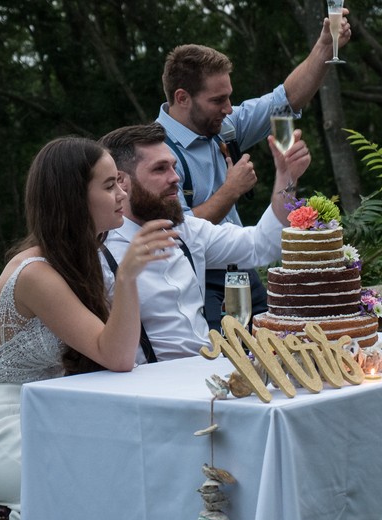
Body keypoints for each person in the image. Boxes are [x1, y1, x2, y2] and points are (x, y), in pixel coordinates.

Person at [0, 138, 175, 520]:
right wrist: (128, 280)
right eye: (109, 184)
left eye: (120, 181)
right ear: (73, 200)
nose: (123, 192)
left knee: (123, 473)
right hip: (3, 435)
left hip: (50, 419)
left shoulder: (82, 256)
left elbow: (111, 357)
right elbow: (117, 355)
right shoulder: (36, 273)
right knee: (64, 491)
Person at [157, 12, 351, 329]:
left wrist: (323, 49)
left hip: (246, 272)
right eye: (218, 99)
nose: (229, 108)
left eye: (230, 96)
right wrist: (230, 190)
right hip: (202, 286)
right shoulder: (155, 155)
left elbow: (285, 100)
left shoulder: (225, 127)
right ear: (182, 98)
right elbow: (178, 238)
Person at [98, 122, 311, 360]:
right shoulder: (99, 250)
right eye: (160, 169)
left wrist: (286, 177)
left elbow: (261, 244)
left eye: (174, 167)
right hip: (147, 388)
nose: (175, 177)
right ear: (121, 181)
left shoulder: (187, 231)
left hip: (209, 372)